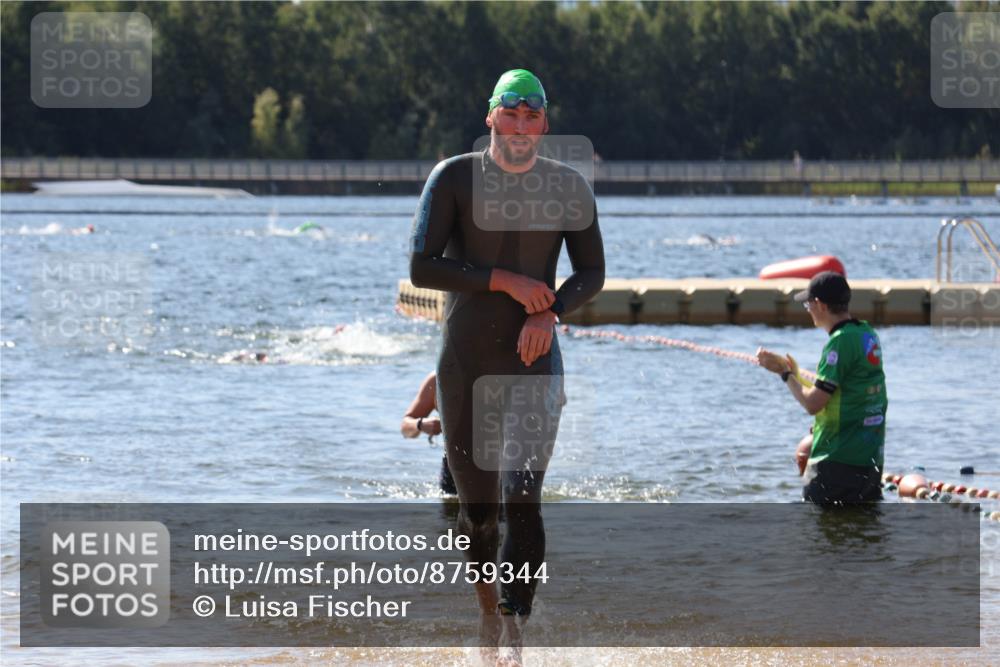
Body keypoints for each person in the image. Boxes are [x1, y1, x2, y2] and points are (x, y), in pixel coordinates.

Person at [408, 68, 605, 662]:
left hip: (533, 359)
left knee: (524, 498)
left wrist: (552, 311)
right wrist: (504, 281)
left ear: (544, 124)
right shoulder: (454, 179)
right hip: (465, 363)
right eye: (510, 114)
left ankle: (517, 627)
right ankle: (488, 613)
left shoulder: (568, 186)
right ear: (490, 115)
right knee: (479, 514)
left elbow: (591, 272)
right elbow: (423, 267)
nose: (521, 127)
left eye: (532, 116)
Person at [757, 271, 888, 505]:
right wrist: (796, 374)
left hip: (837, 462)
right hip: (869, 462)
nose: (808, 310)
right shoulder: (867, 334)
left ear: (820, 304)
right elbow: (844, 393)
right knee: (862, 535)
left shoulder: (839, 341)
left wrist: (785, 374)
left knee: (818, 536)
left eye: (808, 304)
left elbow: (813, 403)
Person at [400, 371, 457, 495]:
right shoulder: (438, 378)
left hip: (500, 463)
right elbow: (405, 428)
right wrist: (421, 424)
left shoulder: (504, 370)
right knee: (450, 510)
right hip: (454, 467)